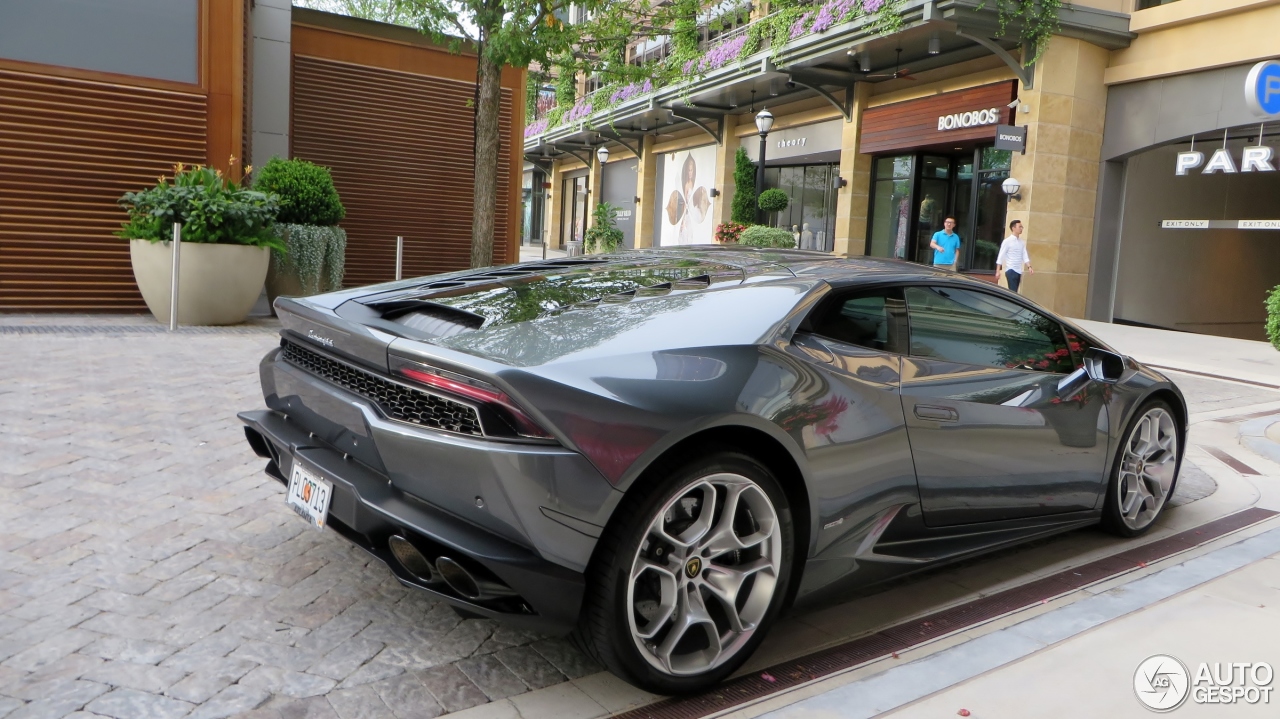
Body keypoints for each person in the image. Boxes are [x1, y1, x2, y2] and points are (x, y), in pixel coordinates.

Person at [996, 219, 1033, 293]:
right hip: (1011, 270)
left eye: (1022, 227)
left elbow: (1024, 255)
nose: (1021, 228)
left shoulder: (1021, 242)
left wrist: (1029, 267)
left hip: (1018, 271)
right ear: (1013, 228)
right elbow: (1001, 256)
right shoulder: (1007, 241)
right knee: (1013, 292)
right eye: (1020, 227)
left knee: (1014, 292)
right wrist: (997, 271)